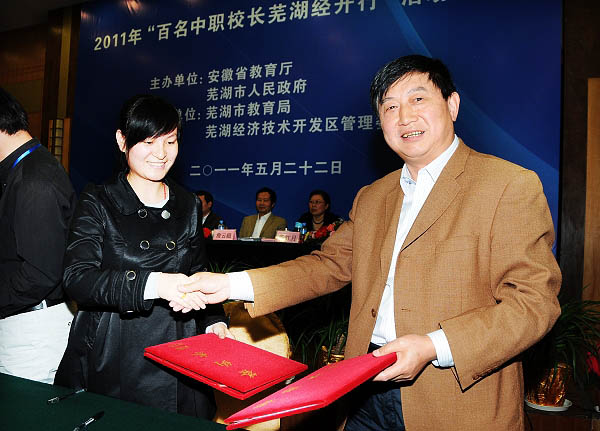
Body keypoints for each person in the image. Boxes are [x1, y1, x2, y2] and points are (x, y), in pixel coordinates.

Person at [177, 55, 562, 430]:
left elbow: (533, 303)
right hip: (363, 389)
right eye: (389, 107)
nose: (404, 117)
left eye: (417, 99)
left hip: (452, 396)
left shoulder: (507, 185)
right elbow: (327, 266)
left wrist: (433, 345)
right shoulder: (374, 196)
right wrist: (230, 285)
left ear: (453, 104)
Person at [54, 95, 231, 419]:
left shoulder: (187, 203)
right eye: (149, 141)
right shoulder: (99, 200)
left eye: (170, 141)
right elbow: (77, 279)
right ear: (122, 140)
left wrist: (213, 321)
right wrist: (154, 284)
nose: (161, 153)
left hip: (180, 344)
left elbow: (198, 272)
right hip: (115, 346)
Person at [0, 87, 77, 384]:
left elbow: (40, 274)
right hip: (23, 322)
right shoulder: (24, 169)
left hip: (32, 331)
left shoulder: (34, 179)